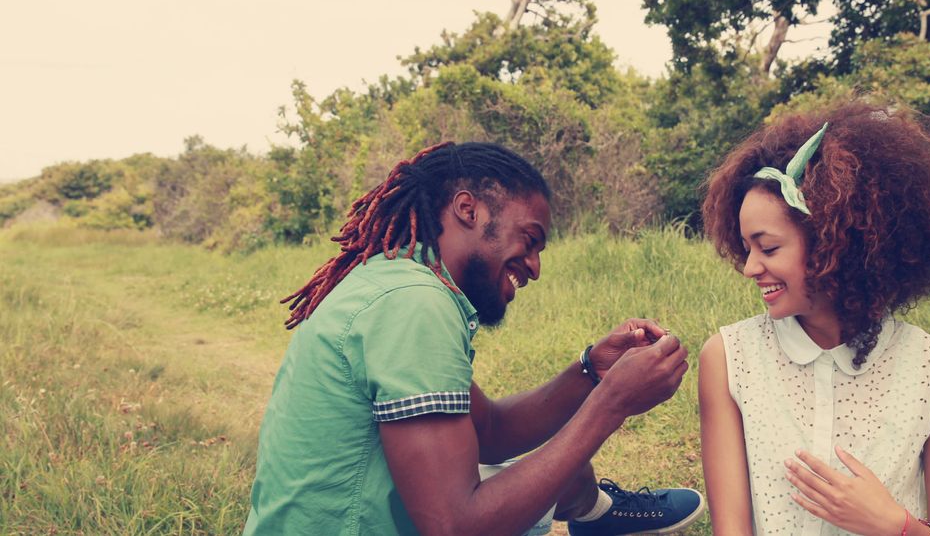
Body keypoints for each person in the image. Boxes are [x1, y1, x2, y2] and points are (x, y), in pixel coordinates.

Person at [243, 141, 705, 535]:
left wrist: (591, 373)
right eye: (530, 239)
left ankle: (593, 511)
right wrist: (613, 404)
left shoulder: (393, 282)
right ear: (468, 210)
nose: (536, 268)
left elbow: (487, 431)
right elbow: (455, 526)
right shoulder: (414, 304)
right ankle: (594, 511)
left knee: (539, 468)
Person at [697, 101, 930, 535]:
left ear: (835, 244)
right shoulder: (730, 360)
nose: (750, 267)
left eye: (768, 248)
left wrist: (893, 524)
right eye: (746, 248)